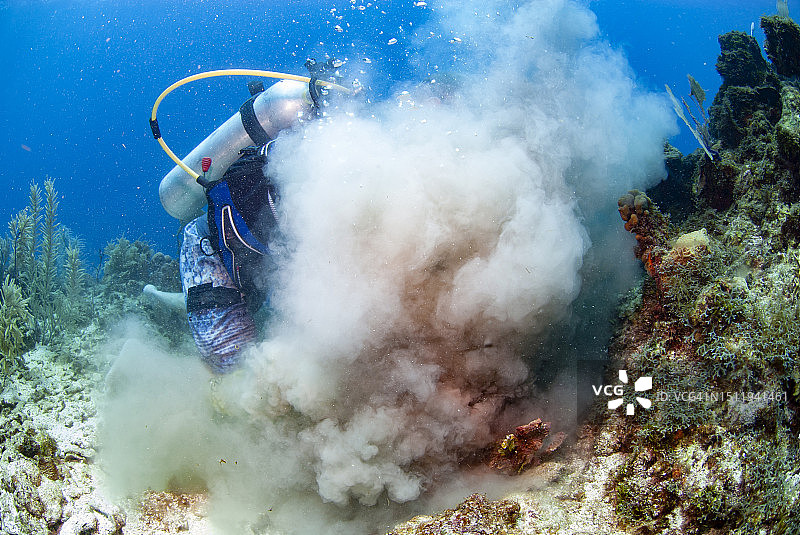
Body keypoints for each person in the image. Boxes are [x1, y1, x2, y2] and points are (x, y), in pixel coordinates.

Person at [148, 61, 343, 373]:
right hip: (210, 251)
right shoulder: (299, 170)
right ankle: (162, 297)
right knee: (232, 370)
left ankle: (181, 299)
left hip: (265, 258)